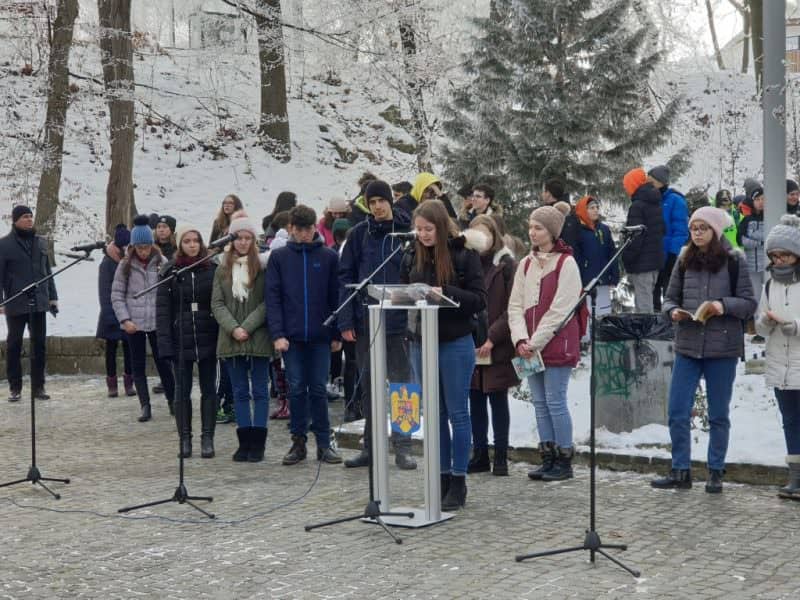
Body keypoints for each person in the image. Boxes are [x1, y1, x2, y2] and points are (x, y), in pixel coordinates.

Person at [652, 206, 756, 493]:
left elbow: (749, 303)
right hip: (688, 345)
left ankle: (715, 471)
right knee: (677, 410)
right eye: (693, 228)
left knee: (718, 414)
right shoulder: (684, 258)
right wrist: (673, 312)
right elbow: (669, 298)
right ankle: (680, 470)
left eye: (703, 228)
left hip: (722, 347)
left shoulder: (735, 260)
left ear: (716, 230)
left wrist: (721, 305)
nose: (697, 233)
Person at [400, 199, 487, 510]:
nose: (422, 235)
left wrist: (445, 293)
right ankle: (441, 477)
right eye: (418, 229)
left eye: (428, 229)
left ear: (441, 226)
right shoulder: (412, 255)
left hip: (454, 341)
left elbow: (479, 299)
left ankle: (459, 480)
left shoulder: (465, 254)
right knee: (433, 414)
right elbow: (402, 290)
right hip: (421, 341)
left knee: (457, 413)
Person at [338, 179, 417, 470]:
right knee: (370, 386)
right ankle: (371, 447)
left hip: (398, 323)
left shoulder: (407, 233)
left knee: (402, 387)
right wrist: (346, 319)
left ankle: (403, 446)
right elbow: (345, 277)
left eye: (381, 201)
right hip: (366, 321)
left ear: (390, 201)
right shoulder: (359, 235)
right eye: (372, 203)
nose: (378, 207)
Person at [508, 206, 583, 482]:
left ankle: (564, 458)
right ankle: (547, 456)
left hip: (556, 342)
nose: (532, 232)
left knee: (555, 400)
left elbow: (561, 309)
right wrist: (520, 338)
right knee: (539, 402)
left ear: (551, 231)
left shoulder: (566, 264)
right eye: (530, 226)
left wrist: (535, 341)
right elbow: (515, 305)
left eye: (538, 227)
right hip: (529, 345)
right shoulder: (526, 264)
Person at [266, 205, 343, 465]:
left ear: (314, 228)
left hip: (321, 335)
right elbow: (273, 298)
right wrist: (278, 333)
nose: (304, 234)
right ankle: (298, 441)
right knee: (296, 388)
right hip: (292, 337)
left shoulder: (329, 256)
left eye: (309, 228)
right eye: (299, 229)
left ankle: (324, 442)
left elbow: (336, 297)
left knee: (319, 389)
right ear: (291, 229)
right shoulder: (279, 258)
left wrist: (336, 333)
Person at [211, 212, 274, 462]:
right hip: (230, 338)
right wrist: (233, 328)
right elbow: (217, 304)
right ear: (231, 240)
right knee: (238, 392)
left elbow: (267, 303)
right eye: (239, 238)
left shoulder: (263, 267)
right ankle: (243, 441)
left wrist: (246, 326)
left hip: (257, 336)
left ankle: (258, 442)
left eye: (248, 238)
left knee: (260, 391)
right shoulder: (221, 268)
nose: (243, 243)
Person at [157, 226, 219, 458]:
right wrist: (165, 344)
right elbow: (162, 312)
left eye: (196, 240)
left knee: (208, 390)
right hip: (180, 338)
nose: (192, 245)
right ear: (180, 244)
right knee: (181, 392)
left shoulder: (212, 268)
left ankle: (207, 437)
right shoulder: (170, 271)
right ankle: (185, 438)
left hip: (207, 336)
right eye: (187, 241)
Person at [466, 214, 519, 476]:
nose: (481, 238)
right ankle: (479, 453)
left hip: (497, 344)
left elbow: (513, 308)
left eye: (486, 233)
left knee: (497, 399)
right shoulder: (467, 263)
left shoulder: (506, 265)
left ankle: (500, 456)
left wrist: (492, 337)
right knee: (474, 399)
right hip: (471, 341)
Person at [111, 215, 175, 421]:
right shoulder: (125, 265)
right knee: (137, 365)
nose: (144, 251)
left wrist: (166, 319)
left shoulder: (162, 262)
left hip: (157, 322)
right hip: (134, 324)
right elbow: (117, 295)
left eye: (147, 246)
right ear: (133, 247)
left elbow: (169, 292)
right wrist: (125, 320)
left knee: (164, 363)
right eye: (139, 247)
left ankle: (173, 401)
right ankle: (145, 405)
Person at [756, 215, 800, 499]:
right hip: (780, 364)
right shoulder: (769, 285)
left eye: (785, 254)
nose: (779, 259)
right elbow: (759, 325)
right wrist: (767, 323)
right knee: (791, 420)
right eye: (775, 255)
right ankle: (795, 477)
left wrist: (794, 325)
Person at [0, 205, 58, 401]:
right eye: (25, 217)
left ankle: (38, 387)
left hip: (39, 302)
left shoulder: (41, 243)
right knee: (14, 345)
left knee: (39, 346)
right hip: (15, 302)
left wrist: (52, 297)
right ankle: (15, 388)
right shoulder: (4, 245)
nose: (29, 220)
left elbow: (47, 272)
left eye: (30, 216)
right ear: (15, 220)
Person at [97, 224, 135, 398]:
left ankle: (129, 382)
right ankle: (112, 383)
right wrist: (112, 314)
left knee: (129, 348)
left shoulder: (130, 262)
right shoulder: (107, 264)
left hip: (129, 312)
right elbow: (104, 292)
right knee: (111, 349)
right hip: (111, 313)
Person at [621, 167, 665, 313]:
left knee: (643, 306)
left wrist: (627, 258)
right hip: (654, 260)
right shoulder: (654, 202)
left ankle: (646, 333)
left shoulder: (637, 206)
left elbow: (635, 237)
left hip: (642, 262)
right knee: (648, 300)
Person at [648, 165, 689, 312]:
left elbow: (681, 230)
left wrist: (673, 253)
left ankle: (669, 324)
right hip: (653, 254)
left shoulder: (676, 200)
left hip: (669, 255)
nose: (649, 183)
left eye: (651, 181)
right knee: (653, 290)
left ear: (661, 182)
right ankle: (655, 322)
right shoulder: (651, 199)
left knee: (669, 291)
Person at [572, 195, 619, 320]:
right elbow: (576, 257)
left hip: (603, 279)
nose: (596, 210)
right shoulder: (578, 231)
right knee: (587, 313)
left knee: (603, 313)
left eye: (597, 207)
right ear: (583, 210)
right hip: (586, 281)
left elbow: (612, 253)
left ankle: (602, 336)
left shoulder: (604, 229)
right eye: (591, 208)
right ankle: (587, 338)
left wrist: (614, 276)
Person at [737, 181, 766, 342]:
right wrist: (759, 242)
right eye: (758, 199)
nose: (761, 202)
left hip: (769, 265)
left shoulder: (773, 216)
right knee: (756, 297)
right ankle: (759, 329)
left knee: (770, 296)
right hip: (752, 266)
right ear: (753, 201)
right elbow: (740, 239)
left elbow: (771, 237)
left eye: (764, 199)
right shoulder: (747, 220)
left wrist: (755, 239)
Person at [540, 178, 579, 249]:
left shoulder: (548, 214)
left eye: (543, 191)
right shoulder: (573, 211)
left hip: (557, 257)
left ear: (548, 193)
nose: (541, 194)